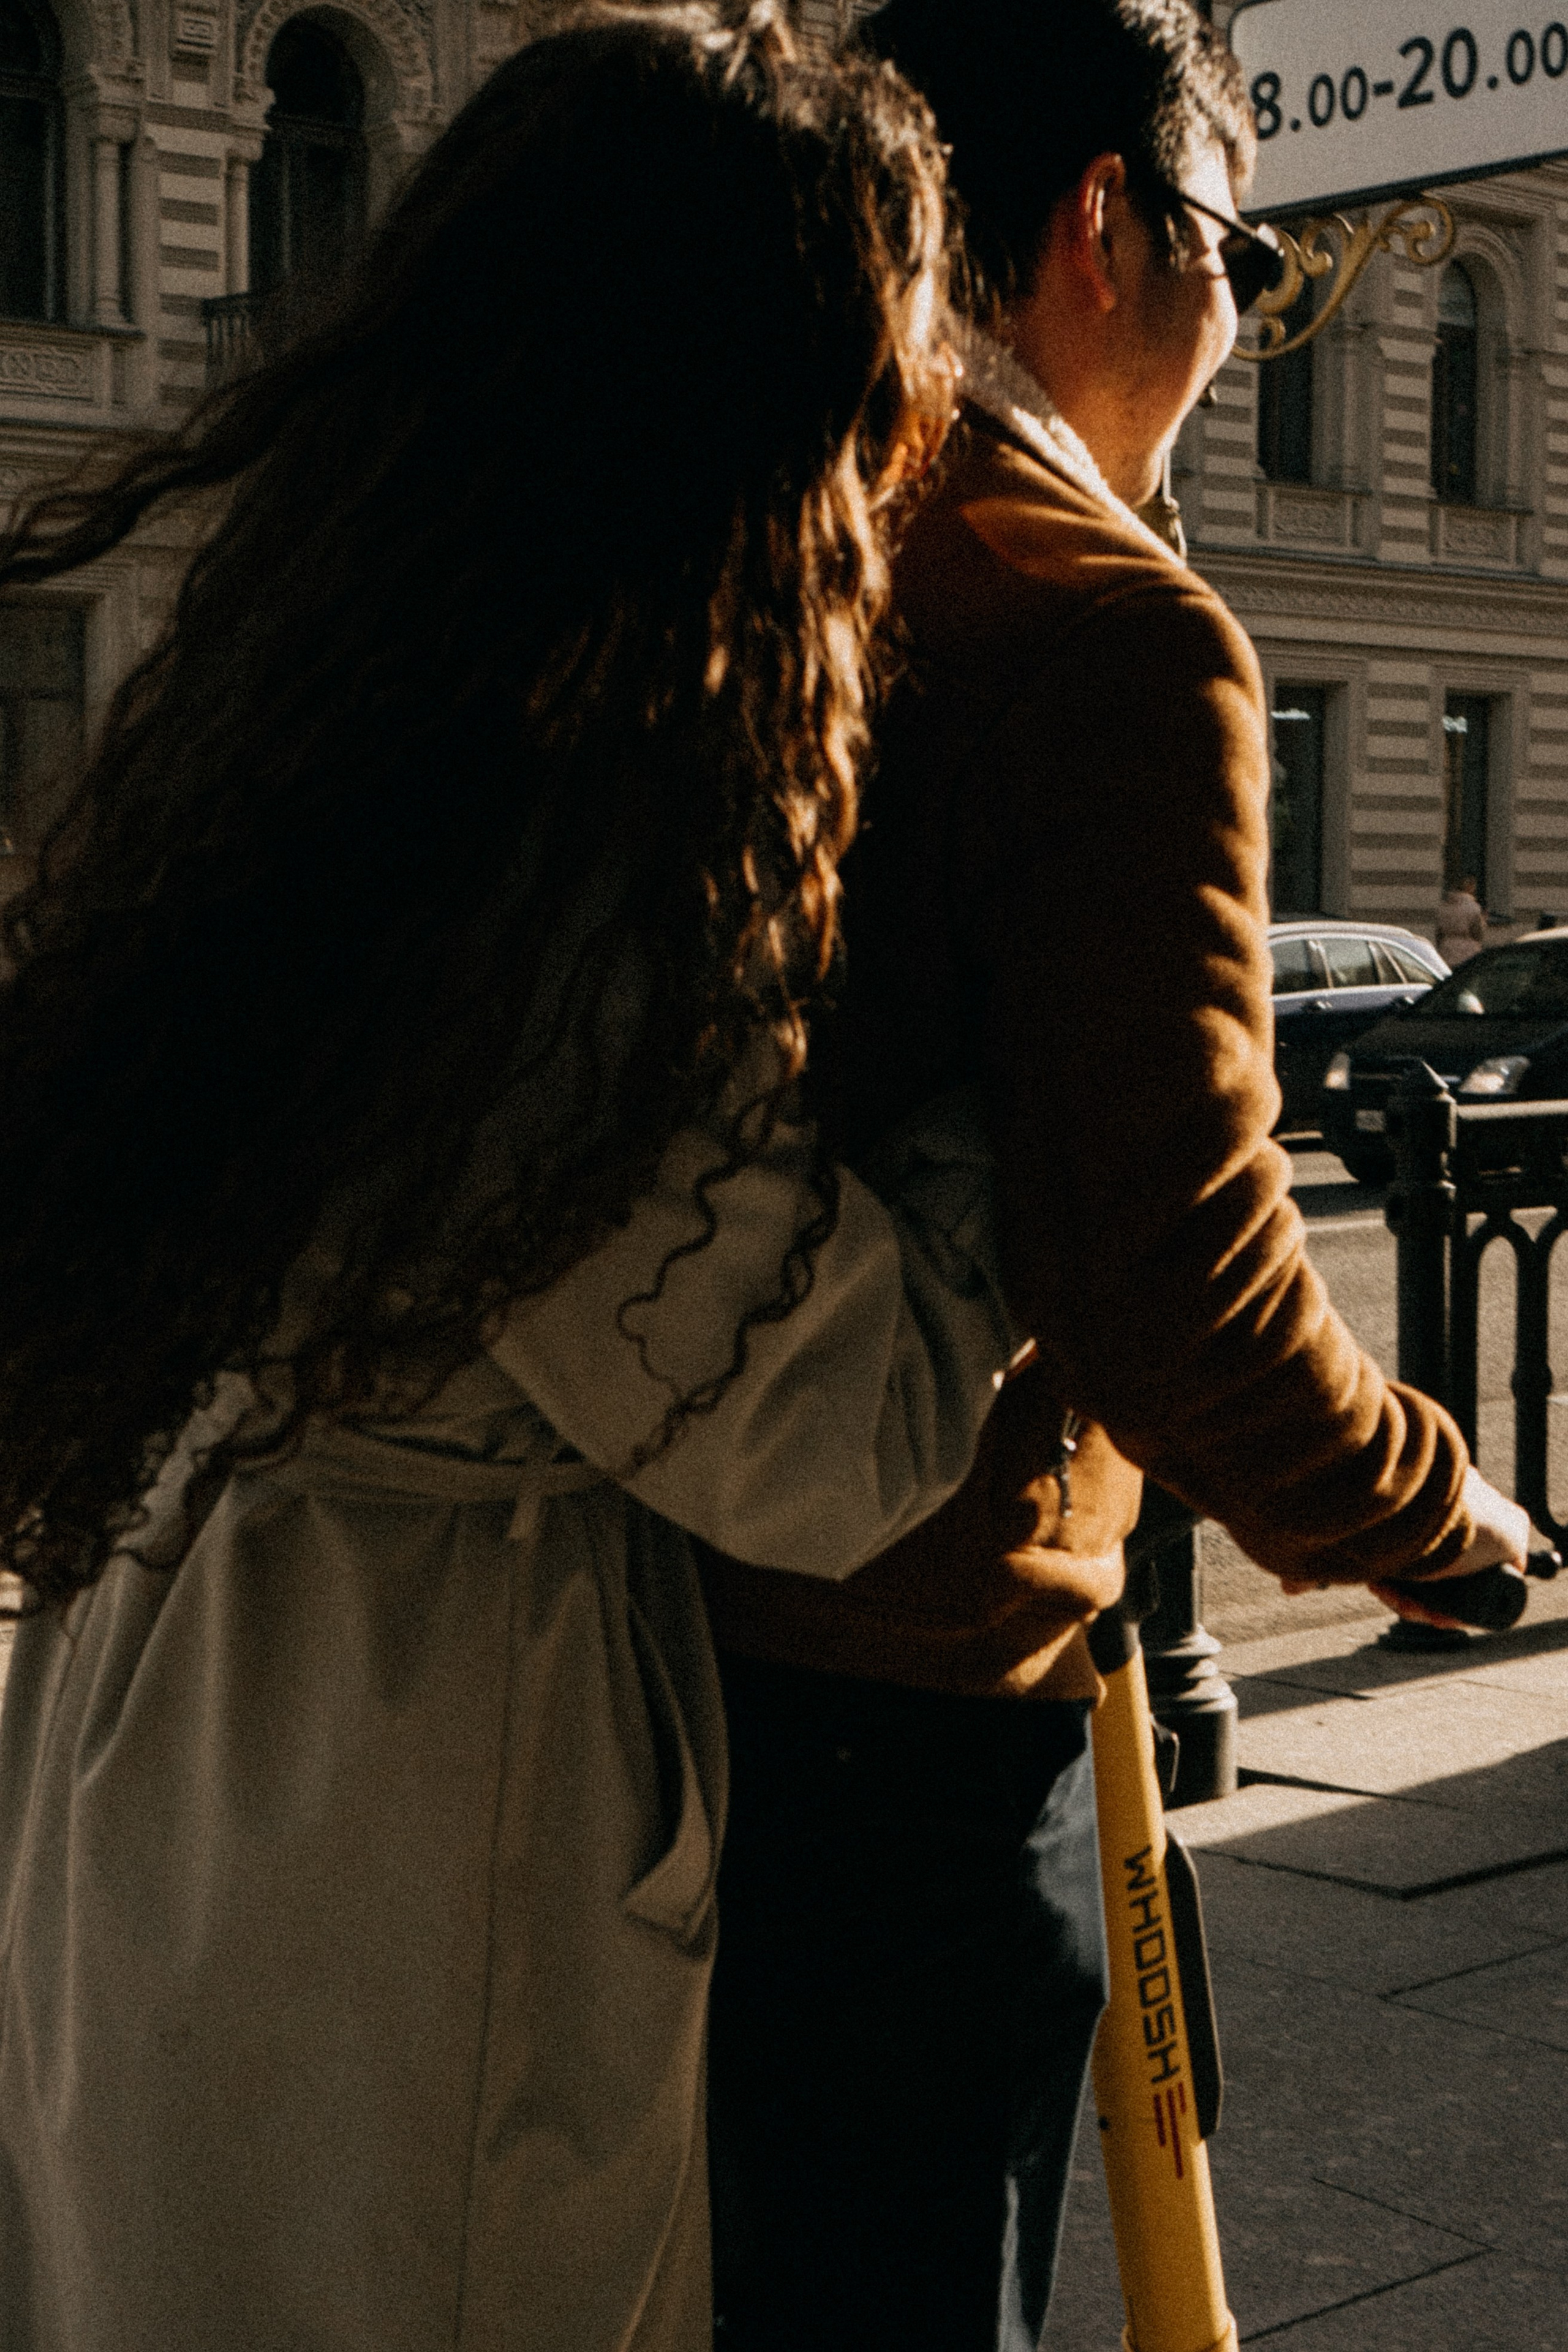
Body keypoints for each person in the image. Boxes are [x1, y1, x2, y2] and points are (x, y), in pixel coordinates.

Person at [0, 12, 1013, 2349]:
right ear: (733, 424)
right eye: (873, 410)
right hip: (393, 1828)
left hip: (165, 1735)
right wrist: (995, 1124)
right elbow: (832, 1429)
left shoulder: (335, 733)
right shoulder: (563, 889)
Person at [702, 5, 1531, 2348]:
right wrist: (1430, 1513)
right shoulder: (1103, 625)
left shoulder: (784, 528)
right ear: (1100, 224)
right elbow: (1175, 1263)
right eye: (1237, 263)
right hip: (929, 1673)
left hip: (661, 1649)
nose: (1243, 316)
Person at [1438, 874, 1488, 965]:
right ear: (1469, 887)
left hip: (1446, 950)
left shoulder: (1444, 906)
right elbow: (1478, 933)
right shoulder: (1473, 907)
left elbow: (1439, 932)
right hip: (1468, 950)